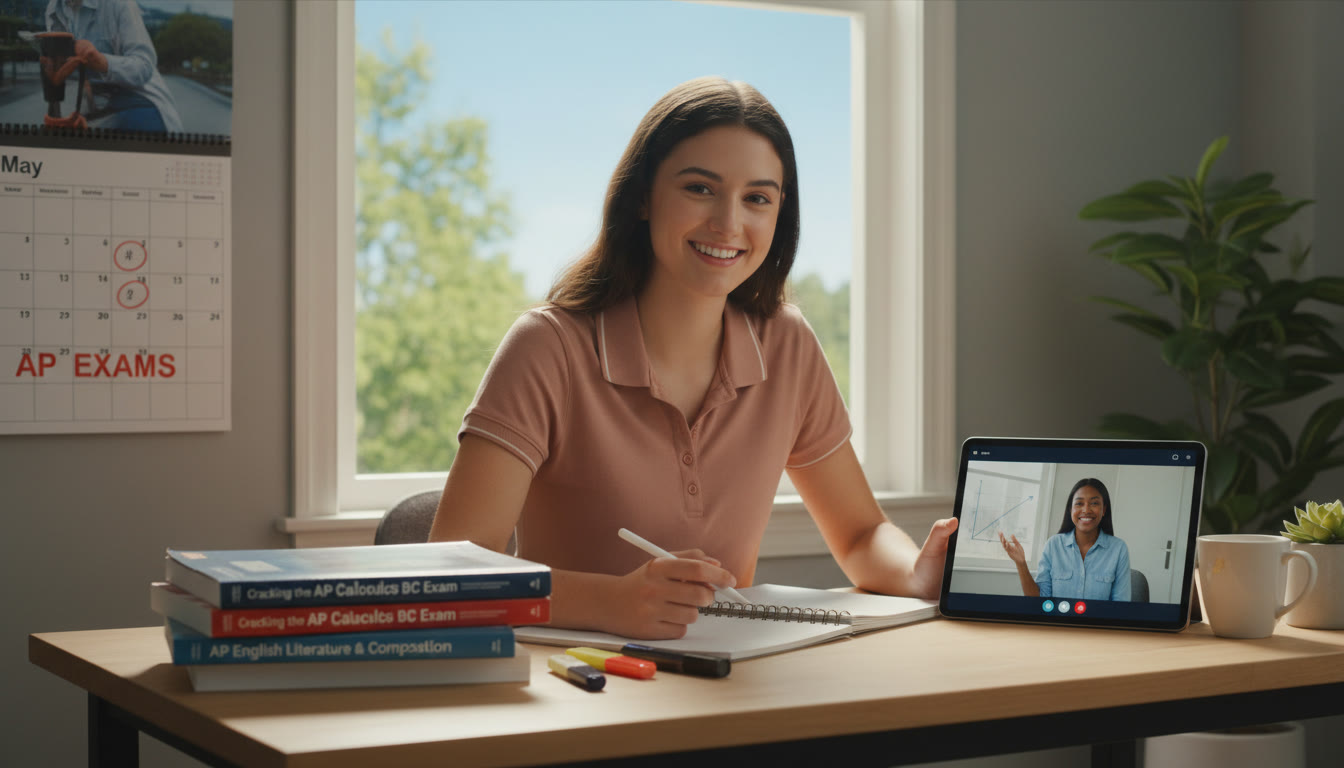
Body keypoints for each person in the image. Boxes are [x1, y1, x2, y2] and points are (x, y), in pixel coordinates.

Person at [428, 76, 957, 640]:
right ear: (641, 199)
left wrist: (915, 572)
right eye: (700, 189)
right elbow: (452, 572)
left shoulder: (787, 344)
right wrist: (610, 602)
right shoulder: (547, 347)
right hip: (583, 684)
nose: (728, 224)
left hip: (728, 682)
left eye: (757, 198)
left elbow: (858, 534)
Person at [43, 0, 183, 132]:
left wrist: (102, 62)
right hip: (95, 104)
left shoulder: (119, 3)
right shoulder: (54, 8)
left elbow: (144, 66)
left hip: (139, 97)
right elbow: (69, 75)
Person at [998, 478, 1131, 601]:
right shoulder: (1053, 545)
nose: (1086, 509)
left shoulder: (1118, 549)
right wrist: (1021, 564)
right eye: (1079, 503)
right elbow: (1039, 600)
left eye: (1094, 503)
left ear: (1104, 510)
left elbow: (1121, 605)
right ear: (1070, 509)